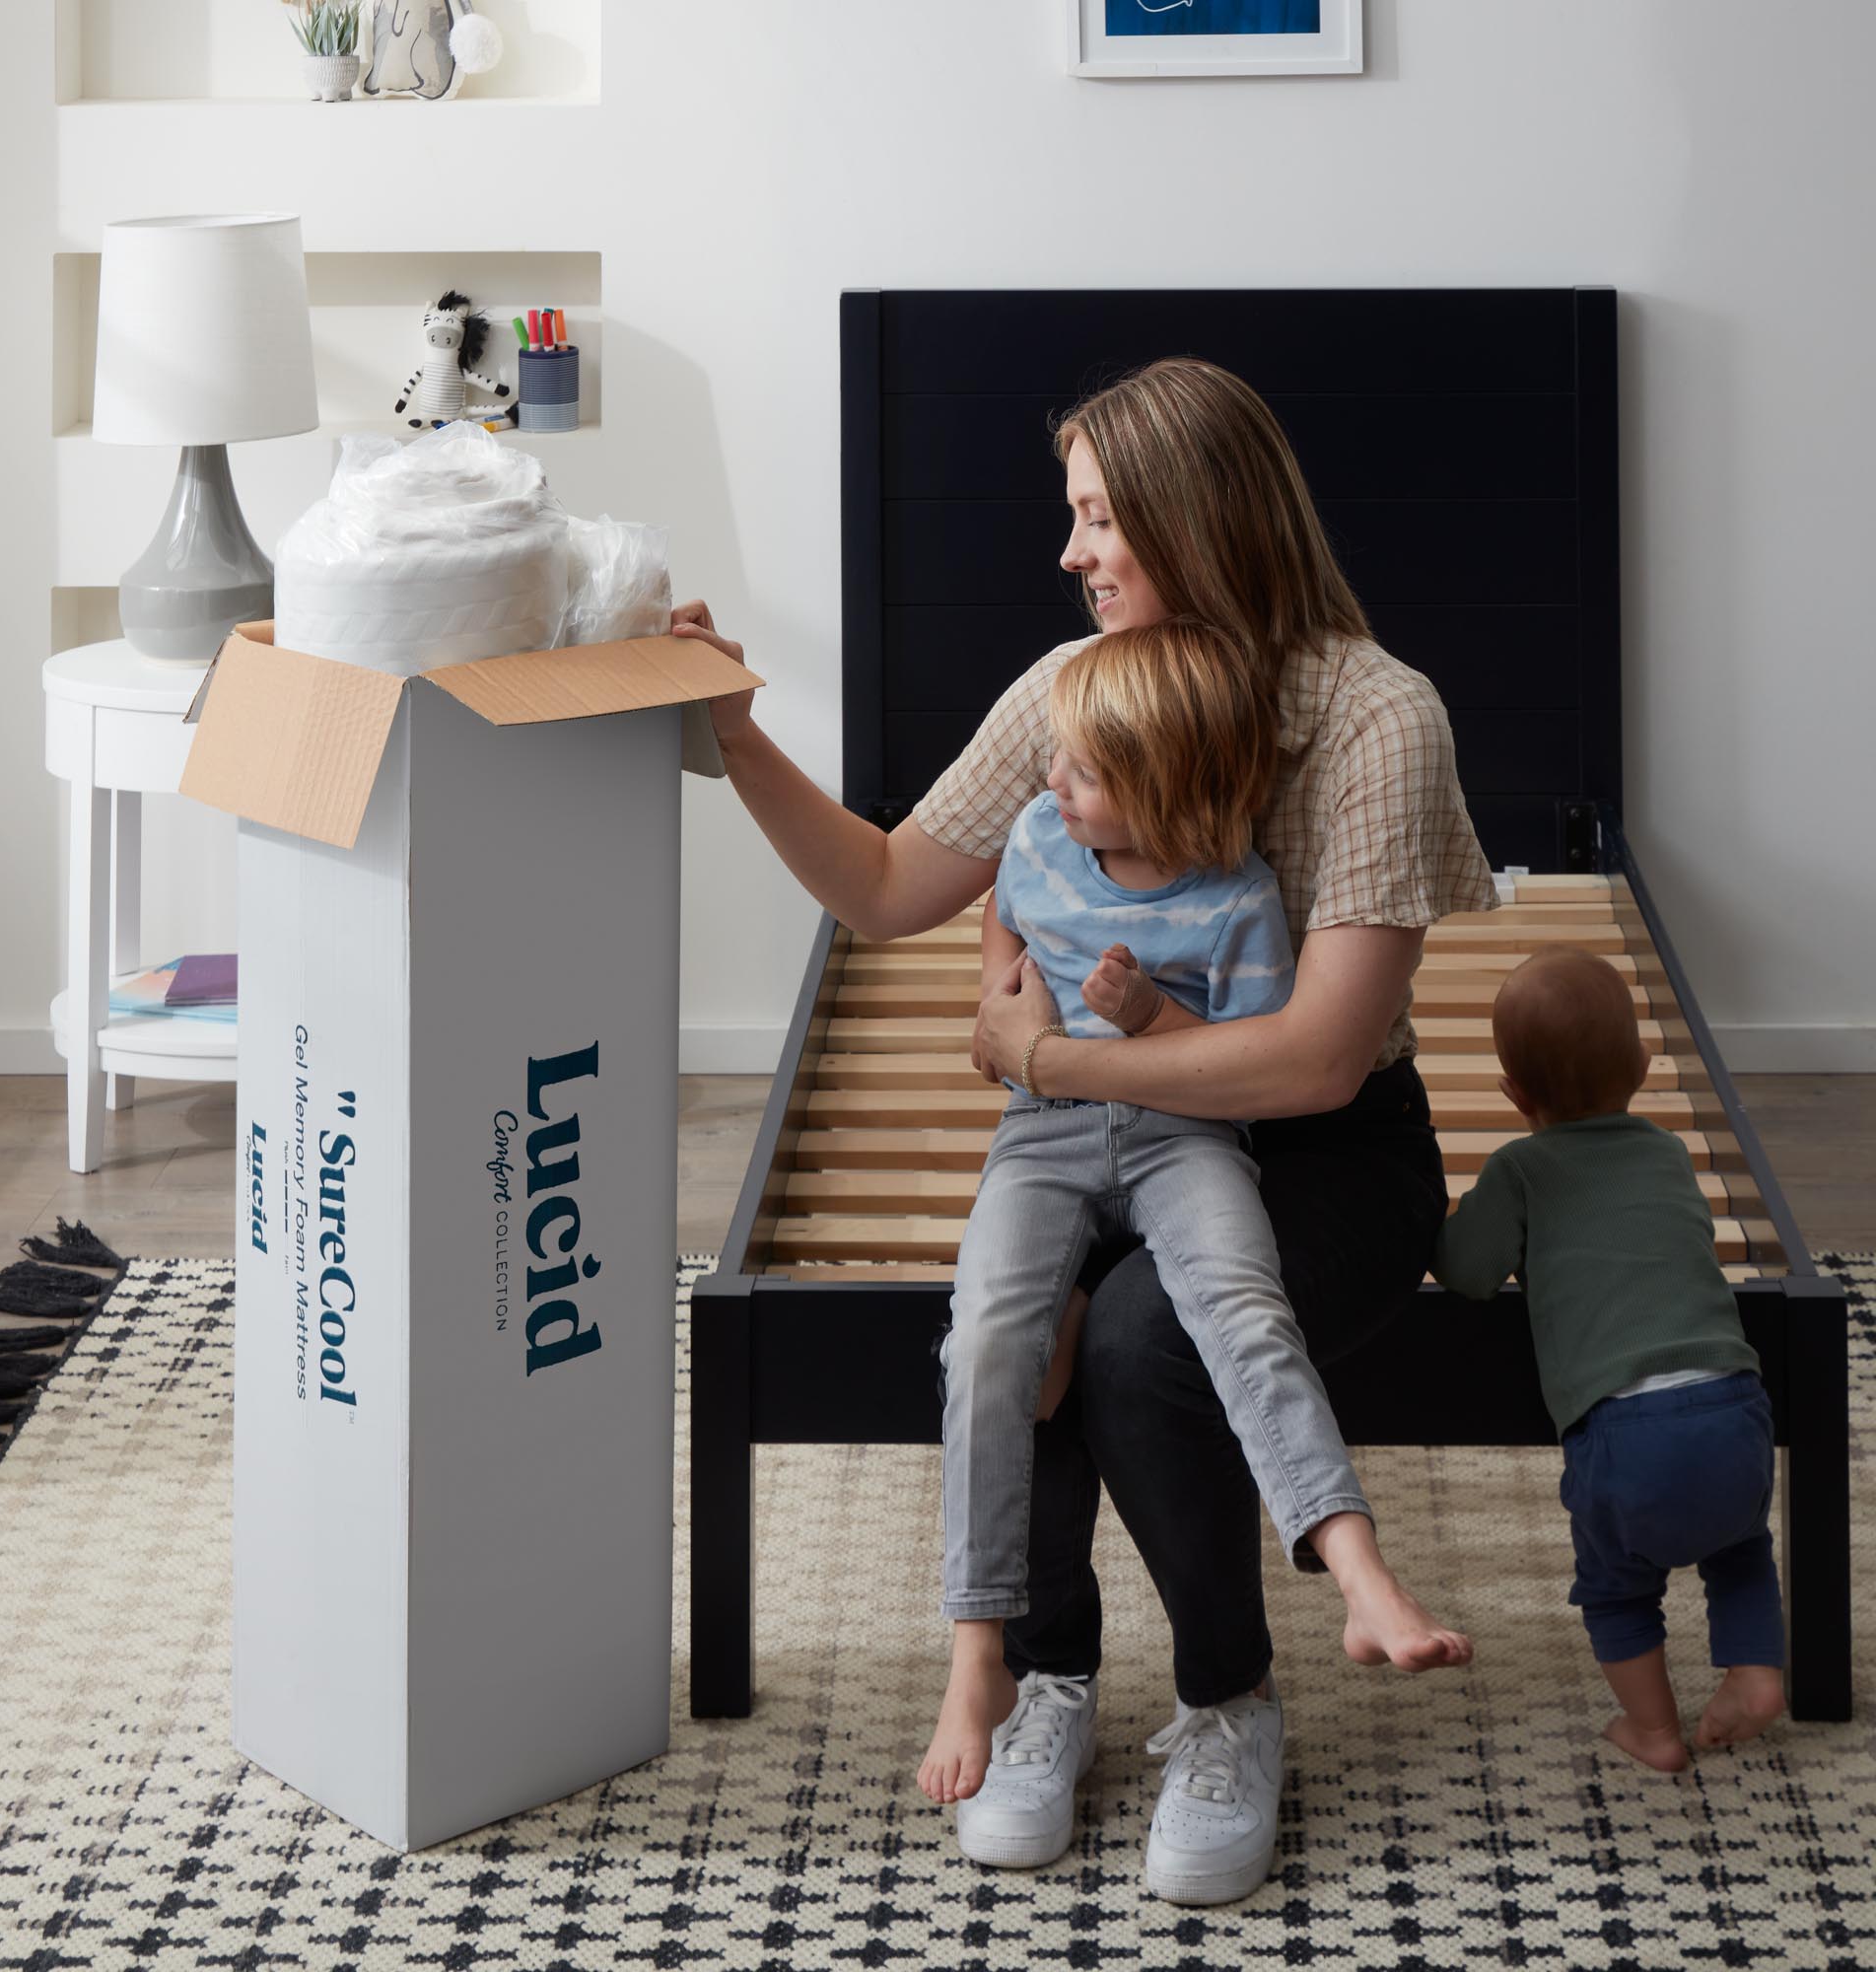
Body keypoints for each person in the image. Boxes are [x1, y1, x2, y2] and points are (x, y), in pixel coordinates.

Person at [672, 354, 1496, 1907]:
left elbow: (1318, 1058)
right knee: (1028, 1314)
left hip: (1325, 1149)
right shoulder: (1071, 695)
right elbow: (885, 888)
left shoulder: (1381, 716)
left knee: (1138, 1344)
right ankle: (1046, 1676)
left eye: (1100, 518)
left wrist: (1047, 1057)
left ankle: (1227, 1698)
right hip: (1106, 1103)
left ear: (1194, 519)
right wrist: (735, 734)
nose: (1072, 554)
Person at [919, 620, 1472, 1832]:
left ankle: (1352, 1569)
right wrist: (1009, 1025)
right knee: (992, 1343)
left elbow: (1252, 1057)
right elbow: (992, 991)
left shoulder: (1240, 898)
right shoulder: (1032, 837)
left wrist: (1150, 1018)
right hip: (1045, 1137)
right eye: (1055, 763)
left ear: (1170, 786)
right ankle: (990, 1658)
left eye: (1081, 771)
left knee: (1233, 1310)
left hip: (1185, 1135)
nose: (1051, 784)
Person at [1431, 948, 1784, 1772]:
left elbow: (1467, 1273)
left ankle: (1654, 1730)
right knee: (1740, 1547)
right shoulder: (1667, 1152)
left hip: (1627, 1429)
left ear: (1515, 1096)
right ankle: (1756, 1673)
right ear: (1643, 1065)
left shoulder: (1522, 1166)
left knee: (1618, 1584)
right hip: (1733, 1401)